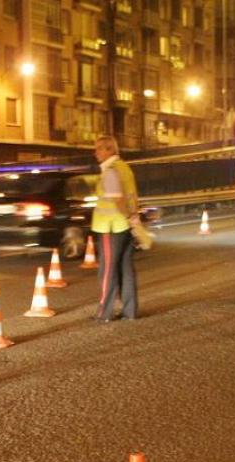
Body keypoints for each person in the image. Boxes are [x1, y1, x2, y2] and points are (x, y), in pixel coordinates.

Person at [91, 134, 141, 321]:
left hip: (111, 227)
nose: (95, 153)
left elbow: (118, 199)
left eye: (99, 149)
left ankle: (105, 312)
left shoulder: (111, 170)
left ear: (109, 149)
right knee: (126, 268)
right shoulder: (125, 168)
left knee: (108, 271)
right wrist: (132, 221)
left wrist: (127, 216)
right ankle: (130, 311)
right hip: (126, 226)